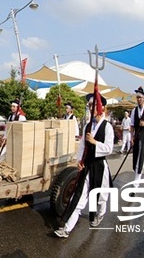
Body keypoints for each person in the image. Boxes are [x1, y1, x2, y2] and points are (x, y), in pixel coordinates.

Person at [54, 93, 113, 238]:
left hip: (99, 166)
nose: (90, 108)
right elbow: (81, 146)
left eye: (93, 105)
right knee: (79, 197)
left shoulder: (107, 127)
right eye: (89, 105)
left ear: (101, 107)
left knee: (100, 197)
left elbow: (109, 148)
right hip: (87, 165)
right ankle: (66, 229)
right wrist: (79, 161)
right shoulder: (87, 126)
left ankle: (100, 214)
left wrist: (94, 142)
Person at [129, 86, 144, 190]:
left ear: (143, 98)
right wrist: (132, 138)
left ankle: (136, 184)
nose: (138, 99)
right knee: (135, 158)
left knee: (141, 158)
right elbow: (132, 125)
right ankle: (136, 177)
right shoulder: (134, 111)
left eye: (140, 97)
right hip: (137, 136)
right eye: (137, 97)